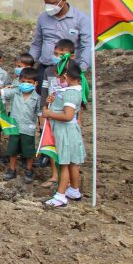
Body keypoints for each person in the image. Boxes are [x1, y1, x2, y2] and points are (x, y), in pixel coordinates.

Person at [30, 0, 91, 91]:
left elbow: (87, 46)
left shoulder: (81, 19)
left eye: (52, 3)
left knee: (65, 102)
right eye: (46, 3)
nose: (49, 7)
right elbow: (37, 44)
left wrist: (81, 68)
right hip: (45, 68)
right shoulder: (43, 18)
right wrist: (28, 64)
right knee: (42, 99)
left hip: (68, 71)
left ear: (63, 0)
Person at [42, 60, 86, 208]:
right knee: (73, 163)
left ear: (66, 77)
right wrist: (51, 102)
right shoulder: (68, 91)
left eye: (60, 78)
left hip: (66, 132)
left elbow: (67, 116)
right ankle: (74, 190)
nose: (59, 81)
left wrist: (50, 113)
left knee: (64, 164)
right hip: (67, 132)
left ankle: (60, 196)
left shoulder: (71, 94)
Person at [38, 39, 78, 188]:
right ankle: (55, 175)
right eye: (55, 54)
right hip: (50, 114)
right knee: (52, 145)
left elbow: (80, 98)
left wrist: (79, 118)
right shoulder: (49, 71)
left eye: (62, 54)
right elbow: (44, 91)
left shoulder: (74, 73)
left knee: (66, 148)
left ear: (71, 56)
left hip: (66, 116)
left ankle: (67, 181)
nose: (58, 56)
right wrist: (43, 111)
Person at [0, 67, 41, 183]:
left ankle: (29, 170)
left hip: (28, 129)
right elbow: (2, 92)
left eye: (29, 82)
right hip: (14, 127)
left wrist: (42, 127)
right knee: (12, 150)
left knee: (28, 152)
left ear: (35, 83)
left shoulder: (37, 98)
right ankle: (12, 169)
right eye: (23, 82)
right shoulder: (15, 92)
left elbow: (40, 114)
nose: (25, 84)